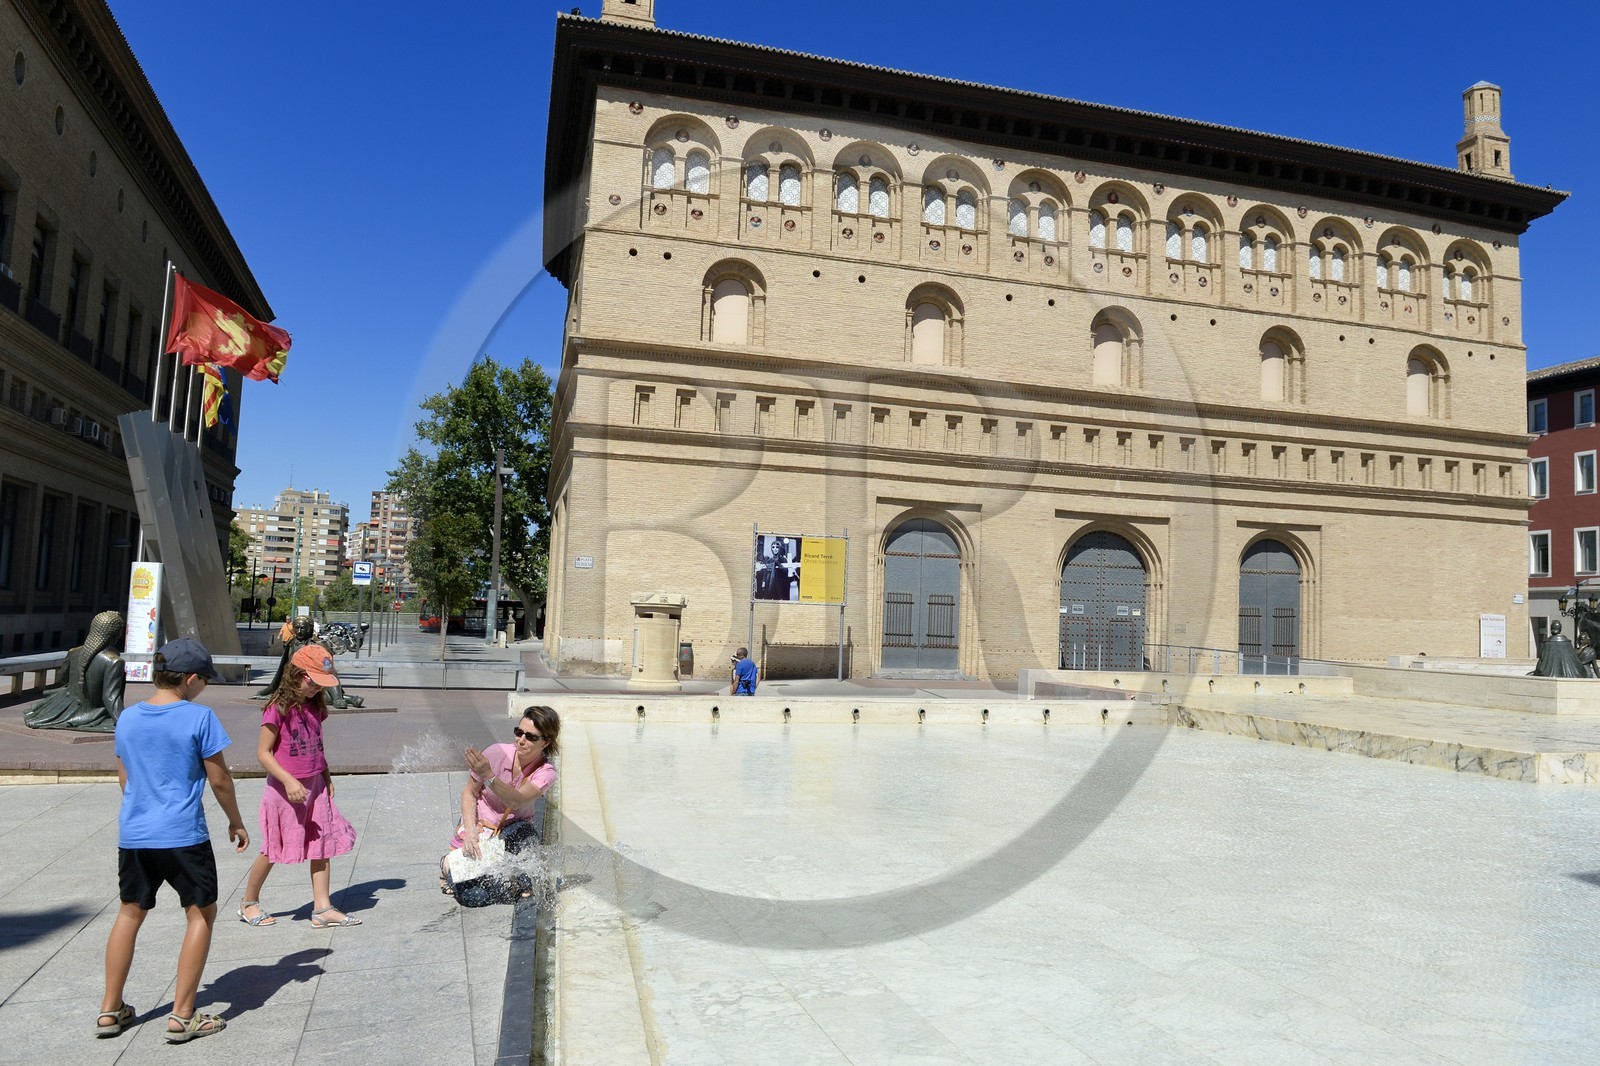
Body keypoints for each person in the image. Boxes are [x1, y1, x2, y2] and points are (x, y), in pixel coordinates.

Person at [98, 637, 247, 1044]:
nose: (204, 688)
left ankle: (111, 1009)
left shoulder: (127, 717)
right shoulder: (200, 717)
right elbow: (219, 778)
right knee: (201, 913)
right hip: (183, 835)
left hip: (135, 835)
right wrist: (236, 822)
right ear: (191, 679)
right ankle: (183, 1015)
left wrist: (141, 813)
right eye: (205, 681)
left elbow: (125, 778)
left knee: (130, 912)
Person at [237, 644, 361, 928]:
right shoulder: (276, 709)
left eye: (322, 683)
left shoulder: (316, 707)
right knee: (273, 847)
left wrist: (326, 776)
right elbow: (263, 753)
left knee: (322, 845)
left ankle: (322, 908)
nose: (318, 688)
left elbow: (317, 745)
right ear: (296, 674)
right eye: (313, 681)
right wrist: (289, 780)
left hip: (315, 786)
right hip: (284, 790)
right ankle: (248, 902)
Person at [440, 706, 561, 907]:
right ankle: (446, 865)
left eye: (530, 737)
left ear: (546, 742)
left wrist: (489, 775)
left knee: (527, 884)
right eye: (518, 732)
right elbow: (469, 793)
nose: (521, 740)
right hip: (480, 828)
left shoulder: (546, 772)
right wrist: (470, 834)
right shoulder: (496, 753)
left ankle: (508, 878)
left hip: (515, 831)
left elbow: (516, 801)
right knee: (474, 897)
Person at [25, 609, 125, 732]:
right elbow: (110, 697)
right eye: (120, 631)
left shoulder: (74, 652)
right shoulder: (114, 661)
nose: (121, 635)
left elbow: (61, 678)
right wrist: (124, 723)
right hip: (91, 712)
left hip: (65, 706)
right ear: (113, 635)